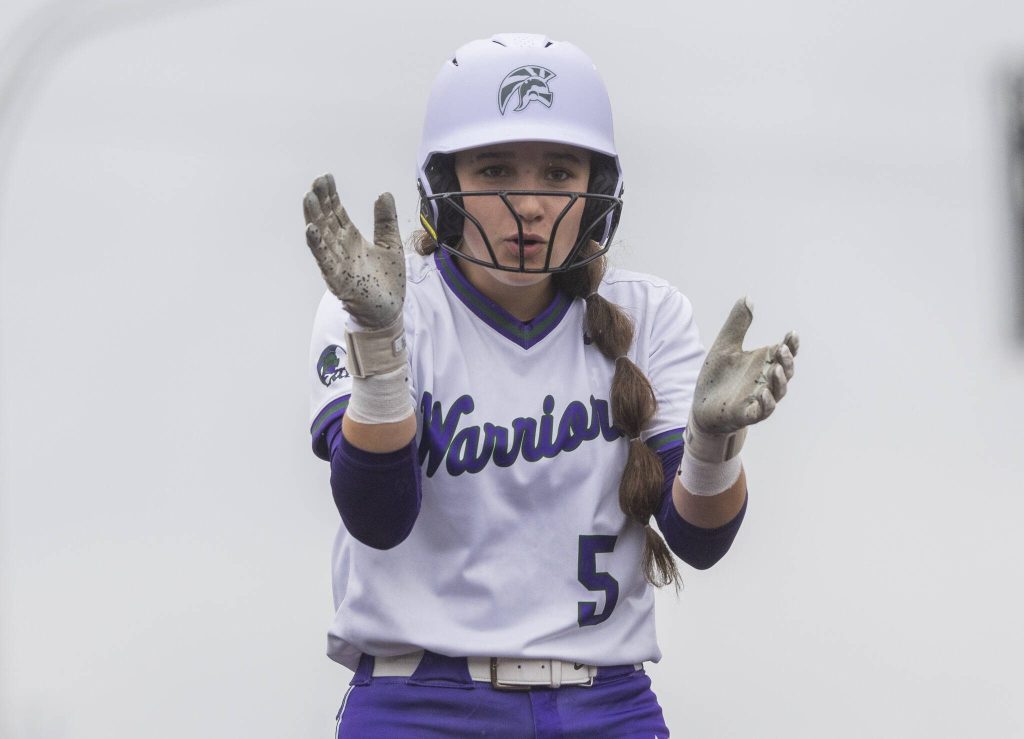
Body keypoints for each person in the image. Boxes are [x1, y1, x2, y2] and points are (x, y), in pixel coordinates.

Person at [303, 33, 798, 738]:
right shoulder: (385, 300)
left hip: (605, 702)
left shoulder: (648, 312)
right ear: (442, 185)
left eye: (559, 173)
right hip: (421, 702)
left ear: (598, 188)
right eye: (497, 169)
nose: (529, 205)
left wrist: (714, 443)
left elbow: (698, 541)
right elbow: (377, 517)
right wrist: (380, 350)